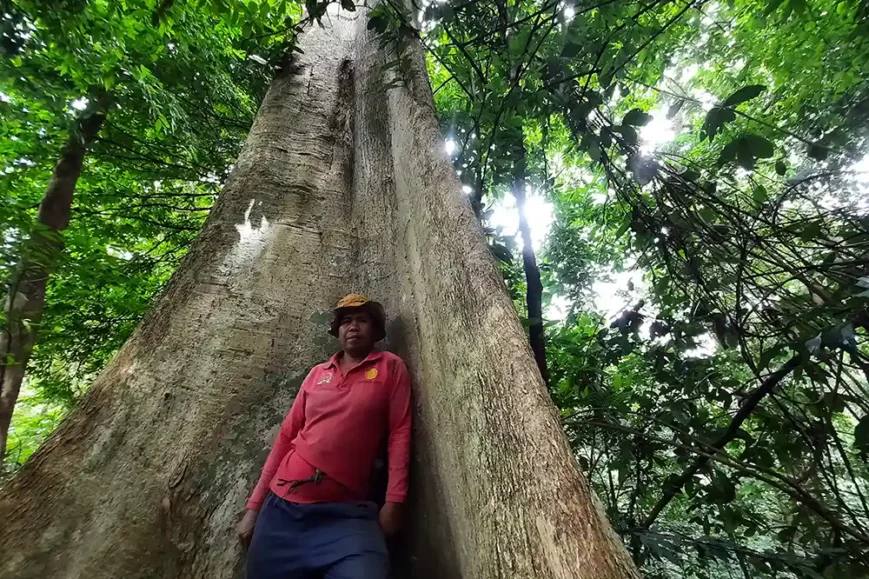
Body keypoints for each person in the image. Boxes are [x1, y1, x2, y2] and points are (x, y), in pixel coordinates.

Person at [236, 294, 412, 579]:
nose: (353, 326)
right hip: (282, 511)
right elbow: (286, 436)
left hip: (346, 516)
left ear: (375, 330)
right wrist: (253, 508)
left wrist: (394, 501)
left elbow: (400, 433)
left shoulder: (389, 367)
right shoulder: (317, 374)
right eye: (346, 321)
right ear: (337, 331)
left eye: (362, 320)